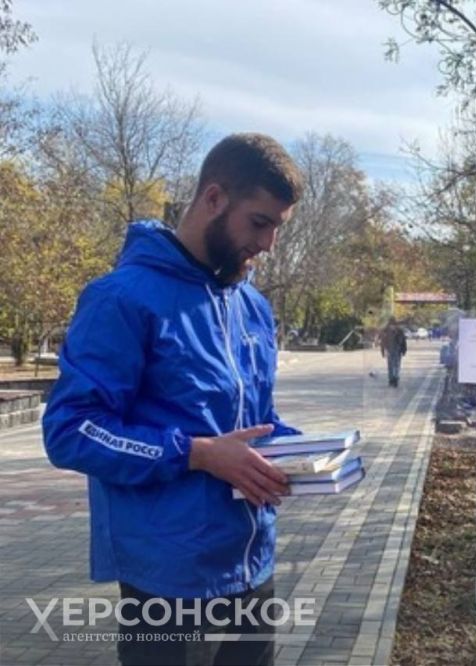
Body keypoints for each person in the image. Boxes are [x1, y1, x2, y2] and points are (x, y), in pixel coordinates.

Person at [42, 133, 304, 666]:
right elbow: (70, 430)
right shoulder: (121, 298)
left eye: (279, 226)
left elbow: (252, 421)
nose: (270, 244)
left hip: (252, 562)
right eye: (260, 222)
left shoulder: (252, 306)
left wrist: (302, 454)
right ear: (213, 199)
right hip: (169, 576)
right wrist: (198, 454)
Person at [379, 317, 407, 387]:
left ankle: (395, 378)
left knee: (395, 365)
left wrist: (404, 350)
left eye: (393, 325)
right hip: (390, 350)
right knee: (392, 366)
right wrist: (383, 351)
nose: (392, 326)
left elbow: (403, 341)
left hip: (397, 350)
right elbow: (383, 342)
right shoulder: (385, 331)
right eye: (392, 325)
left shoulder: (399, 331)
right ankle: (392, 379)